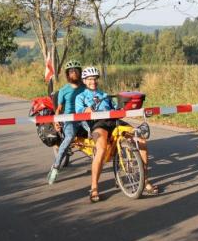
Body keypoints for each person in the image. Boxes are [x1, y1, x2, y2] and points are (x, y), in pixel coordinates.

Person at [75, 66, 157, 203]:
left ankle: (145, 180)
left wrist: (124, 106)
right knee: (101, 149)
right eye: (89, 79)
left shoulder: (105, 95)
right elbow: (79, 112)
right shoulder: (81, 96)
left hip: (114, 121)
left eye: (95, 79)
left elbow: (116, 108)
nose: (93, 81)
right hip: (98, 124)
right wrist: (86, 109)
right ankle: (94, 187)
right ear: (84, 81)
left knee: (141, 140)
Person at [48, 60, 86, 184]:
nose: (74, 73)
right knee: (69, 137)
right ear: (67, 74)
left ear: (80, 72)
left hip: (85, 118)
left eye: (76, 70)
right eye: (71, 71)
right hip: (70, 120)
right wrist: (56, 122)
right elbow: (58, 109)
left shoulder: (85, 87)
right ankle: (56, 166)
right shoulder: (64, 90)